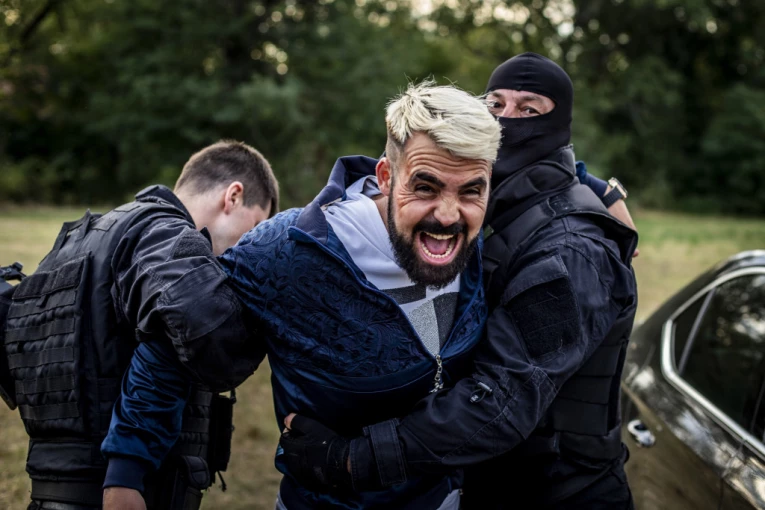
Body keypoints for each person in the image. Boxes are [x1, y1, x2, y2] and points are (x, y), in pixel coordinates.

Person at [103, 82, 500, 510]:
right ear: (386, 176)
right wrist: (126, 475)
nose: (448, 214)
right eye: (425, 188)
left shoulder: (476, 245)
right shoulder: (290, 250)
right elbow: (181, 339)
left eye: (470, 190)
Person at [281, 53, 640, 509]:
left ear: (558, 124)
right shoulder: (502, 204)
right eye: (495, 104)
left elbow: (500, 402)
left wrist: (353, 461)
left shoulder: (571, 250)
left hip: (563, 493)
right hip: (495, 484)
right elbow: (421, 164)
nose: (507, 121)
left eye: (529, 109)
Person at [0, 140, 278, 510]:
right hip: (130, 493)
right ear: (233, 196)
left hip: (48, 493)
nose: (250, 244)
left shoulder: (70, 246)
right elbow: (203, 326)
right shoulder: (162, 234)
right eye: (256, 225)